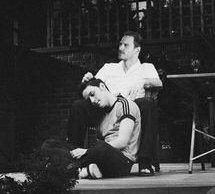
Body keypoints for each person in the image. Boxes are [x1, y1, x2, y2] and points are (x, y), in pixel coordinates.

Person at [67, 31, 163, 175]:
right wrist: (87, 79)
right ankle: (75, 157)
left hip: (132, 108)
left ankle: (145, 161)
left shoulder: (146, 68)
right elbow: (94, 86)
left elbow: (159, 83)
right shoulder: (109, 68)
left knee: (147, 104)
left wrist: (144, 81)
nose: (121, 48)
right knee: (78, 106)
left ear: (137, 49)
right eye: (120, 44)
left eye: (126, 45)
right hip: (106, 109)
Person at [43, 78, 141, 179]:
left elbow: (122, 142)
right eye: (89, 99)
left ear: (102, 86)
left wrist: (87, 151)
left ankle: (65, 168)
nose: (93, 100)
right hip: (98, 156)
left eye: (92, 94)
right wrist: (87, 152)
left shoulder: (125, 105)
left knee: (102, 147)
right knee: (49, 145)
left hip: (123, 160)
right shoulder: (100, 114)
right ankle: (83, 171)